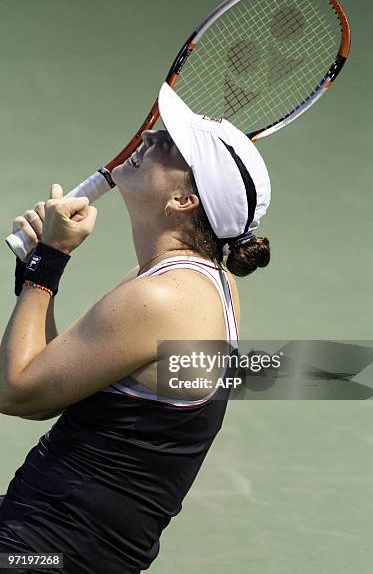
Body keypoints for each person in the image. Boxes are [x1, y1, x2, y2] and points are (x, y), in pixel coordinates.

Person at [0, 83, 271, 573]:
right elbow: (50, 386)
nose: (149, 136)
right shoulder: (204, 282)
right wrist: (37, 269)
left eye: (170, 143)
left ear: (186, 199)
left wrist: (51, 262)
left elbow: (15, 393)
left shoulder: (158, 299)